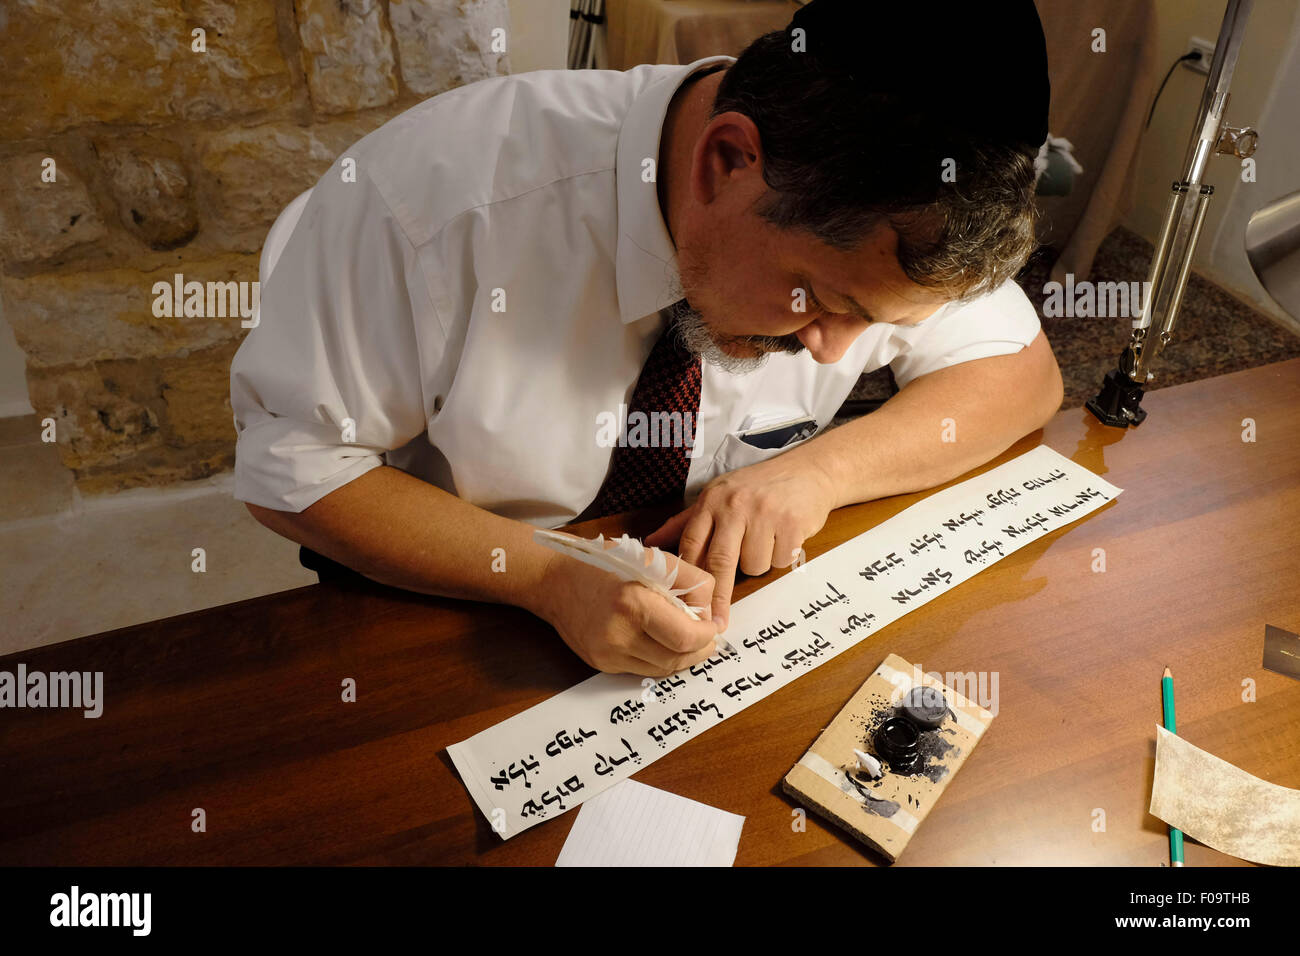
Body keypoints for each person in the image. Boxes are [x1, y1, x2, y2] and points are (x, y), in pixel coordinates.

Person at [230, 0, 1063, 677]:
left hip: (708, 619)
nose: (833, 352)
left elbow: (1025, 378)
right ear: (726, 161)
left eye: (879, 324)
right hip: (453, 607)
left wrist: (820, 471)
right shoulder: (435, 207)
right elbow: (292, 470)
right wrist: (546, 576)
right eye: (823, 300)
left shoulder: (888, 224)